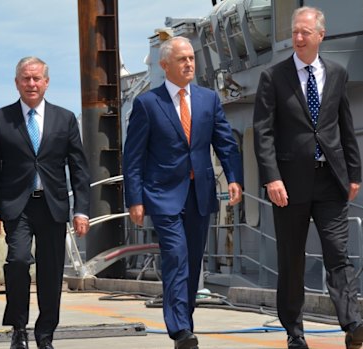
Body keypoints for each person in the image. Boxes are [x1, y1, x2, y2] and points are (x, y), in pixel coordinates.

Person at [252, 6, 363, 349]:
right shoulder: (273, 77)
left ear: (321, 35)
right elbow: (263, 133)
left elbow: (344, 126)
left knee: (338, 254)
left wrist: (354, 172)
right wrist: (271, 178)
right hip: (288, 185)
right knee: (292, 259)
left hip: (330, 180)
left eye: (305, 32)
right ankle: (295, 331)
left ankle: (352, 323)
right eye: (295, 32)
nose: (299, 38)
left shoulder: (336, 73)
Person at [123, 36, 243, 349]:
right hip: (163, 194)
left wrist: (233, 177)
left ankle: (185, 323)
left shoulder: (208, 100)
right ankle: (178, 329)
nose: (189, 63)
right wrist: (134, 198)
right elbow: (133, 156)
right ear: (164, 66)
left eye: (191, 58)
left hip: (200, 192)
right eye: (182, 59)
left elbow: (225, 142)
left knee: (192, 260)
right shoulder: (147, 104)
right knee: (175, 256)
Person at [0, 56, 90, 349]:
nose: (31, 84)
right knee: (16, 261)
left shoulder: (64, 118)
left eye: (36, 78)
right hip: (17, 206)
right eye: (25, 79)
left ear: (46, 82)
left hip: (52, 206)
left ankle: (45, 335)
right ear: (16, 82)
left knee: (51, 272)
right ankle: (18, 327)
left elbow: (78, 168)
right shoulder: (0, 119)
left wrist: (81, 209)